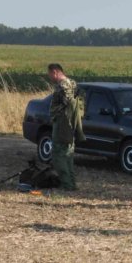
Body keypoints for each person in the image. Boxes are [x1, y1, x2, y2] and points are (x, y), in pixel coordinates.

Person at [45, 63, 83, 192]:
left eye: (50, 74)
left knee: (58, 154)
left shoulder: (63, 85)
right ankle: (71, 183)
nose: (50, 77)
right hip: (70, 123)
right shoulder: (73, 83)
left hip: (63, 122)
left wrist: (59, 114)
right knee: (68, 153)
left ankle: (67, 183)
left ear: (55, 72)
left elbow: (68, 102)